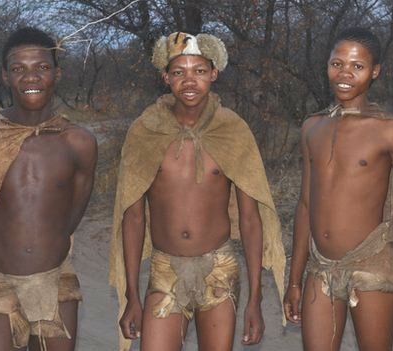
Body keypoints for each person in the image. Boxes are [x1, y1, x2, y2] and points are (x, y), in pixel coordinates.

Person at [283, 27, 393, 351]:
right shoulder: (312, 127)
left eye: (357, 66)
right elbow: (305, 205)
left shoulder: (389, 131)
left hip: (371, 262)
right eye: (337, 64)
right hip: (321, 266)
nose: (344, 74)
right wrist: (293, 280)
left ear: (375, 71)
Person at [109, 32, 286, 351]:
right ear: (166, 77)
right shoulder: (145, 131)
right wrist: (132, 294)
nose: (189, 80)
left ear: (214, 74)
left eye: (199, 71)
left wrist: (255, 300)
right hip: (165, 269)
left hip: (220, 269)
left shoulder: (232, 130)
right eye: (179, 72)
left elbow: (250, 220)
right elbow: (133, 218)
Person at [0, 27, 97, 351]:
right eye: (19, 68)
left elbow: (72, 214)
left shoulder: (78, 142)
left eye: (42, 67)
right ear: (5, 76)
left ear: (57, 73)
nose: (31, 77)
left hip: (56, 282)